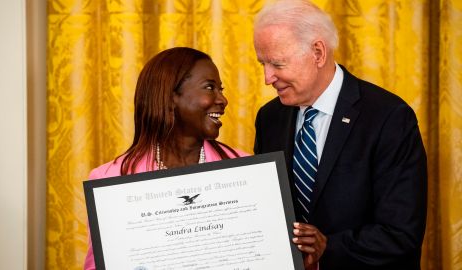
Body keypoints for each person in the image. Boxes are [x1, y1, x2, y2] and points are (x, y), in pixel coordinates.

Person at [252, 1, 427, 269]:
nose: (267, 77)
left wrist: (327, 249)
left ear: (318, 53)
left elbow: (401, 233)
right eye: (263, 63)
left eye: (277, 63)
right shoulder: (269, 118)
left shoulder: (389, 117)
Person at [84, 47, 247, 270]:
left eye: (220, 89)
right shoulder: (109, 179)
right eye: (210, 87)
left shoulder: (246, 171)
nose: (223, 99)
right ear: (171, 97)